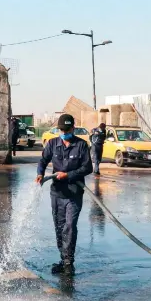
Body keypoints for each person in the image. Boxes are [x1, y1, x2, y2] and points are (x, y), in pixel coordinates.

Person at [36, 114, 93, 275]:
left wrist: (68, 175)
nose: (64, 132)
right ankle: (63, 259)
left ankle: (69, 262)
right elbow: (43, 160)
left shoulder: (81, 145)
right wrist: (40, 173)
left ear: (73, 128)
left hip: (74, 193)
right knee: (59, 227)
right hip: (57, 193)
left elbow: (87, 168)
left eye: (67, 130)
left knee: (70, 225)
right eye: (61, 130)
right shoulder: (53, 143)